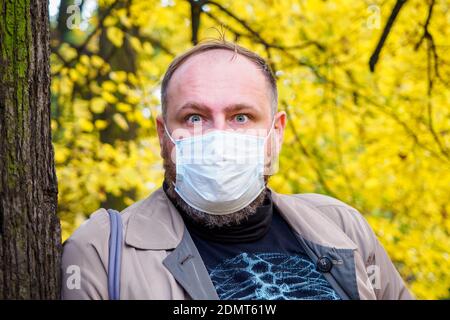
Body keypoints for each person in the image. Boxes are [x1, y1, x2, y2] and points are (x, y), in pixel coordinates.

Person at [61, 40, 413, 300]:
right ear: (163, 135)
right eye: (194, 118)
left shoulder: (342, 227)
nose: (218, 136)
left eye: (240, 117)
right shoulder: (103, 252)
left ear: (275, 132)